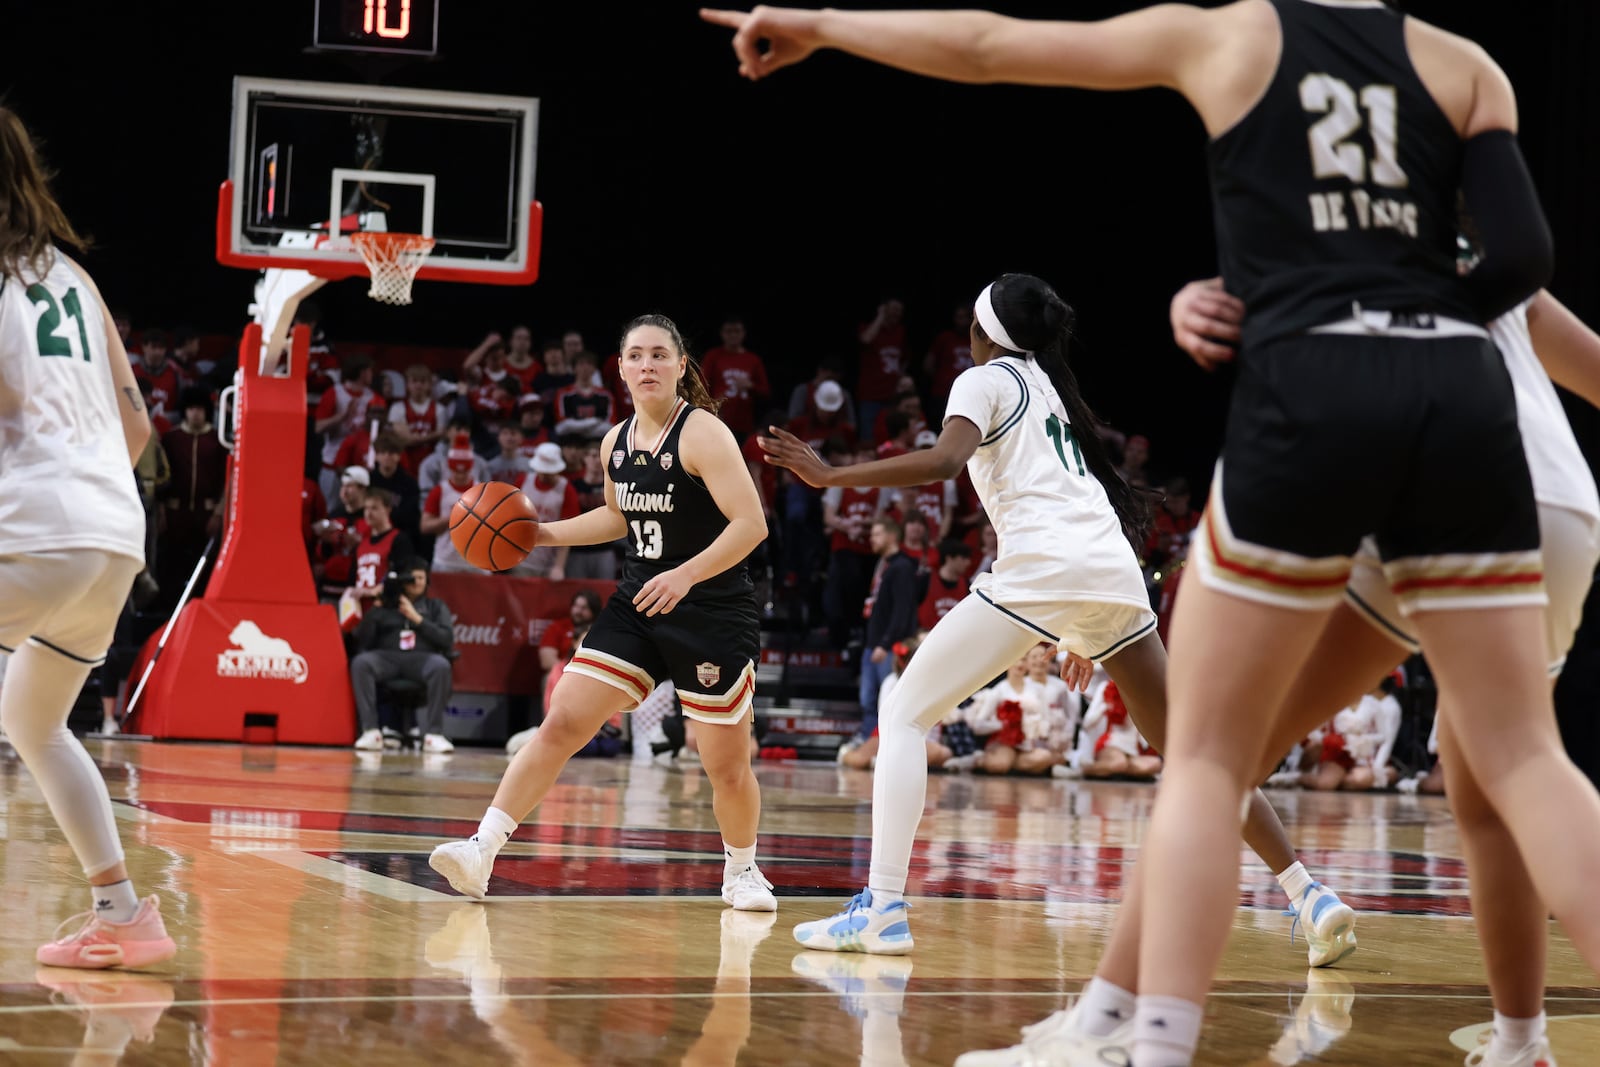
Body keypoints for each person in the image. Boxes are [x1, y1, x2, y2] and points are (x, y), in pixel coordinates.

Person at [704, 6, 1600, 1066]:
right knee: (1517, 758)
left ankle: (1130, 1034)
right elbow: (1527, 256)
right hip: (1464, 419)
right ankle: (1478, 1014)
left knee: (1206, 757)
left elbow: (993, 46)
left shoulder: (1226, 40)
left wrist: (825, 27)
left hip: (1297, 409)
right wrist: (1424, 313)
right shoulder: (1468, 68)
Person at [762, 274, 1351, 978]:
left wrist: (830, 477)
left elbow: (947, 461)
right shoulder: (1049, 386)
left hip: (1046, 570)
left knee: (904, 710)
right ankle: (1308, 894)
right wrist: (1081, 633)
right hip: (1110, 573)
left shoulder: (983, 381)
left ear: (981, 334)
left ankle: (882, 908)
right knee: (1192, 756)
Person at [426, 312, 776, 914]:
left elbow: (752, 524)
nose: (647, 365)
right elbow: (618, 517)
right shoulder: (616, 442)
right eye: (636, 355)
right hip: (639, 600)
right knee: (562, 721)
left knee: (725, 765)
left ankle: (742, 870)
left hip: (712, 609)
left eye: (660, 355)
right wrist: (538, 534)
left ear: (681, 365)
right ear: (619, 368)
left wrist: (686, 573)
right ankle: (481, 851)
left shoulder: (704, 434)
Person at [0, 105, 177, 969]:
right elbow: (139, 426)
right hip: (113, 531)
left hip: (35, 523)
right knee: (32, 720)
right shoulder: (74, 277)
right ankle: (123, 914)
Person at [350, 559, 457, 754]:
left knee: (440, 665)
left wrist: (417, 619)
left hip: (421, 659)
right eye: (411, 578)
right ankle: (370, 731)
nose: (416, 582)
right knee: (361, 663)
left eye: (420, 578)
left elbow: (446, 639)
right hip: (388, 658)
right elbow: (362, 638)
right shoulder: (385, 605)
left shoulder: (435, 607)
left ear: (427, 581)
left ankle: (434, 734)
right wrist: (376, 608)